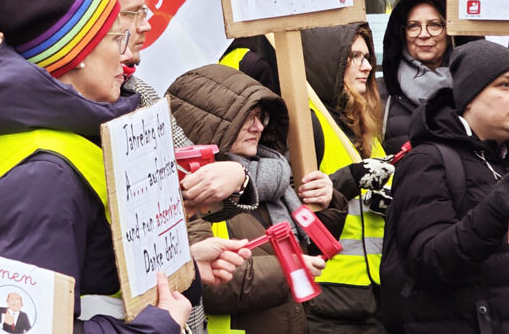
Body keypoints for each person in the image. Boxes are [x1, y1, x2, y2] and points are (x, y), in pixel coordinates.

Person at [0, 0, 249, 333]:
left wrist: (183, 269)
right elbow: (30, 327)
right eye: (115, 38)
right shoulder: (42, 176)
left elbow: (92, 271)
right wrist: (155, 328)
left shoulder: (65, 140)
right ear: (75, 54)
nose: (126, 52)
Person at [60, 0, 257, 236]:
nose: (146, 25)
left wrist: (237, 180)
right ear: (89, 20)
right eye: (132, 14)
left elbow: (194, 188)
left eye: (145, 12)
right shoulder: (43, 107)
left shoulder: (141, 94)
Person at [168, 63, 347, 334]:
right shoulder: (191, 189)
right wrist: (289, 270)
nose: (258, 127)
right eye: (246, 117)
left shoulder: (271, 175)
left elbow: (310, 248)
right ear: (213, 123)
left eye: (261, 117)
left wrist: (327, 202)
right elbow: (211, 285)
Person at [383, 40, 509, 333]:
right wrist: (501, 203)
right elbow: (428, 261)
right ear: (470, 96)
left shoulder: (501, 159)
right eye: (504, 85)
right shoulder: (427, 160)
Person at [300, 24, 393, 334]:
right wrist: (349, 180)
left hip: (375, 293)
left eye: (367, 57)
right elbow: (296, 199)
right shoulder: (307, 122)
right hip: (328, 295)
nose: (366, 67)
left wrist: (388, 203)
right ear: (330, 61)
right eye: (355, 57)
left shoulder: (364, 126)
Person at [379, 0, 480, 155]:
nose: (424, 34)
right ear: (402, 33)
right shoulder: (380, 95)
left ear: (449, 31)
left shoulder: (475, 90)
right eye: (413, 26)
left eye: (434, 25)